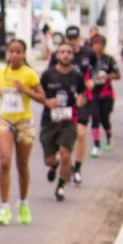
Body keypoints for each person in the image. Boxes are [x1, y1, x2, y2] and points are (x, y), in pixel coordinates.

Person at [0, 39, 45, 226]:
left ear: (24, 54)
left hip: (24, 122)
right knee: (5, 161)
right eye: (11, 51)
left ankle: (23, 202)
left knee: (22, 165)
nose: (14, 54)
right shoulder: (2, 71)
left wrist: (25, 90)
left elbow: (42, 97)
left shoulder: (29, 74)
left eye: (18, 51)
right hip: (5, 120)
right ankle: (4, 207)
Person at [38, 42, 87, 201]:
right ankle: (53, 165)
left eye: (69, 52)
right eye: (62, 52)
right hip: (49, 121)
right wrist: (47, 102)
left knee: (66, 155)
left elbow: (83, 95)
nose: (66, 55)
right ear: (57, 55)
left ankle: (60, 186)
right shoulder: (48, 75)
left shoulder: (77, 76)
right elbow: (38, 94)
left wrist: (80, 100)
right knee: (49, 159)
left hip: (68, 121)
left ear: (73, 56)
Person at [84, 34, 121, 158]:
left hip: (106, 93)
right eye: (95, 44)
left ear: (103, 46)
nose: (97, 47)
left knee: (105, 120)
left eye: (100, 44)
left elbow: (118, 75)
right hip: (93, 93)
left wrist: (106, 76)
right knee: (95, 118)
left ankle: (109, 136)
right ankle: (96, 145)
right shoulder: (88, 60)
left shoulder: (109, 59)